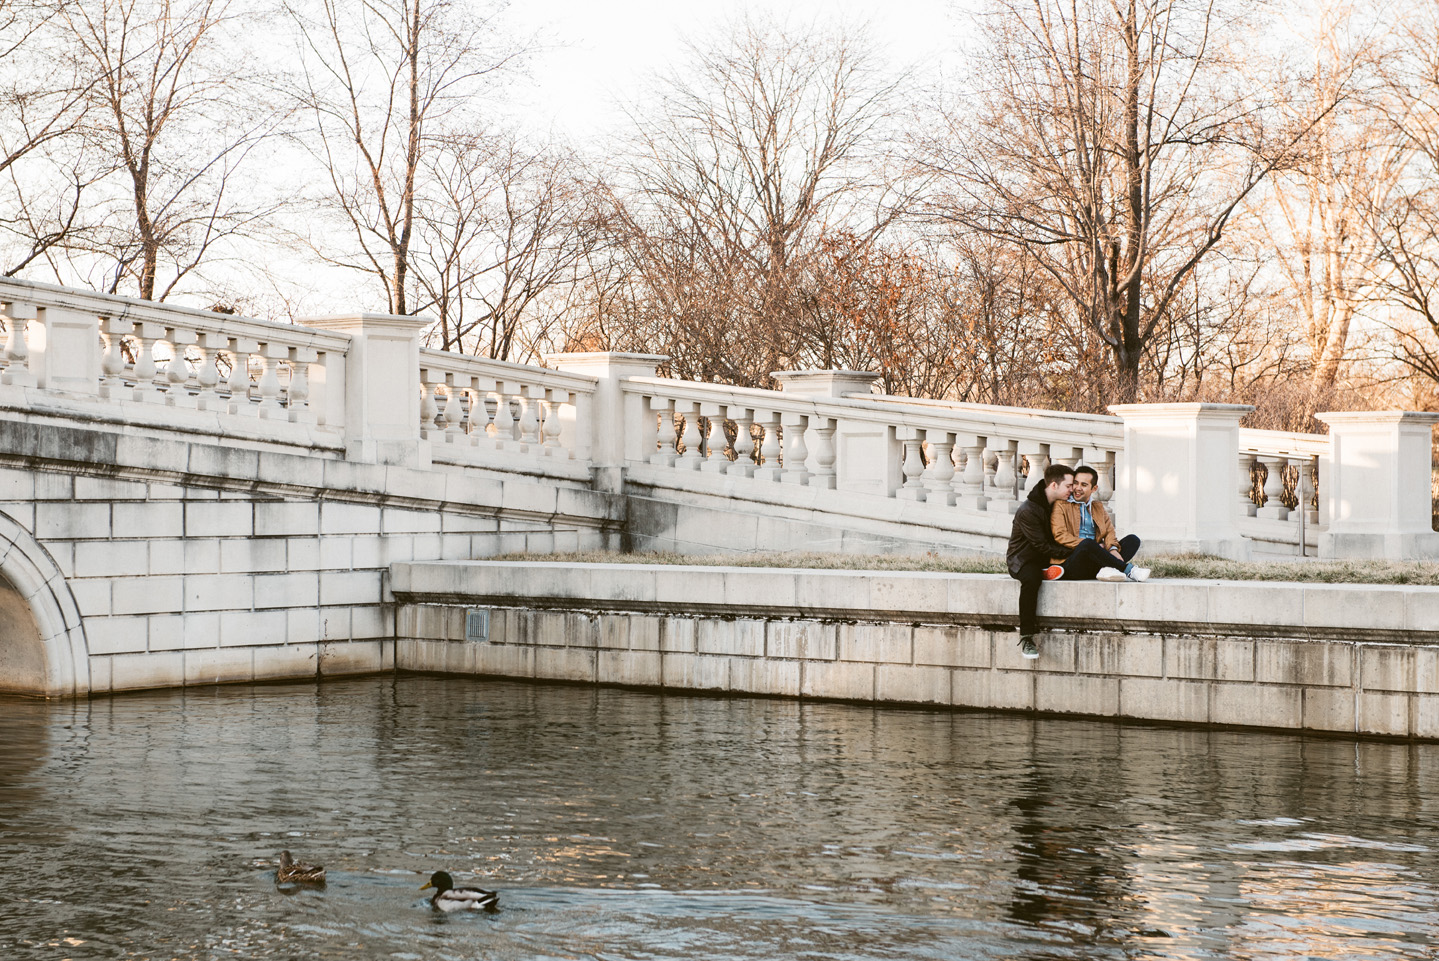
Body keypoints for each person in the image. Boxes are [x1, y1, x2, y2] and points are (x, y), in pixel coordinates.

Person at [1006, 464, 1074, 660]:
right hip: (1024, 560)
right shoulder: (1028, 510)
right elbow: (1041, 546)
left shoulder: (1057, 504)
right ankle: (1027, 637)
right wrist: (1074, 551)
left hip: (1048, 557)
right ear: (1054, 485)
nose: (1072, 489)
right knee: (1032, 579)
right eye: (1069, 485)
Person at [1047, 465, 1149, 583]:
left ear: (1094, 488)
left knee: (1133, 540)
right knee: (1088, 544)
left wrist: (1112, 550)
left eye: (1084, 485)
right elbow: (1060, 535)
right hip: (1073, 561)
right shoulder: (1060, 505)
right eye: (1075, 483)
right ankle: (1128, 570)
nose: (1077, 488)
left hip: (1095, 559)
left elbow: (1110, 532)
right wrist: (1093, 546)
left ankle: (1107, 569)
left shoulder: (1098, 507)